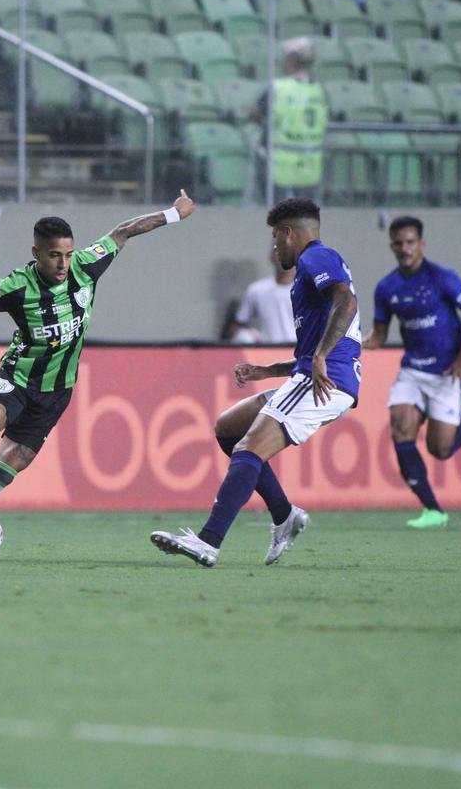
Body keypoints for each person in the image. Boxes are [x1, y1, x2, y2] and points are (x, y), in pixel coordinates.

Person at [0, 190, 197, 558]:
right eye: (54, 255)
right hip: (17, 377)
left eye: (67, 253)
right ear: (36, 254)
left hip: (56, 390)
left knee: (14, 461)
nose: (63, 263)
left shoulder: (85, 266)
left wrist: (174, 214)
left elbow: (124, 231)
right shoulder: (17, 286)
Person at [151, 197, 360, 567]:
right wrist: (268, 370)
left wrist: (322, 356)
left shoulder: (315, 257)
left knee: (248, 449)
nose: (275, 247)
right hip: (311, 374)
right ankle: (285, 514)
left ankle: (208, 541)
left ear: (287, 233)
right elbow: (316, 340)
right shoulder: (310, 272)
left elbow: (346, 302)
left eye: (276, 238)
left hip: (326, 381)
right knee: (228, 430)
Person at [362, 216, 461, 529]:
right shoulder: (386, 287)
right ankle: (434, 510)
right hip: (412, 372)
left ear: (422, 243)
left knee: (440, 450)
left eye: (410, 242)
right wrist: (355, 342)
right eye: (398, 243)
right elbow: (379, 336)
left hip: (448, 372)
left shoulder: (441, 277)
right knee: (400, 428)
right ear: (391, 245)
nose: (404, 248)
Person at [248, 37, 329, 203]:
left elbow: (254, 112)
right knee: (304, 216)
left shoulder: (279, 88)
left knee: (277, 215)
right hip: (309, 168)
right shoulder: (319, 90)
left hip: (279, 168)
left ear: (292, 59)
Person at [225, 250, 296, 344]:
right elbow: (237, 326)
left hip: (298, 352)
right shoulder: (256, 290)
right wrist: (248, 334)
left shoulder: (309, 291)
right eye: (279, 250)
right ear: (271, 257)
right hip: (266, 351)